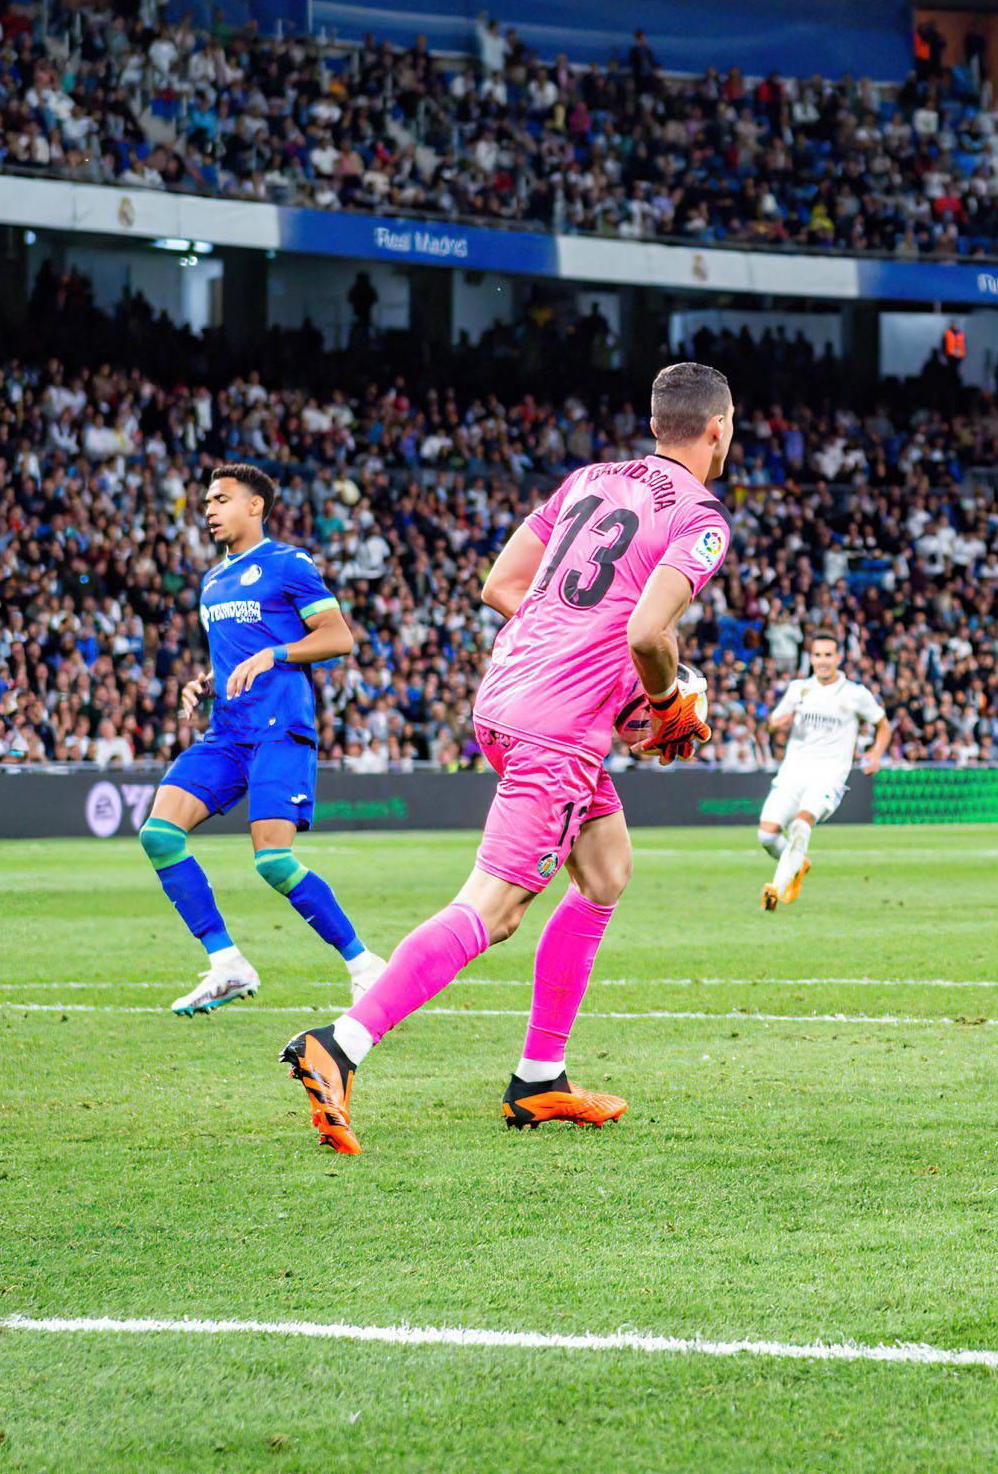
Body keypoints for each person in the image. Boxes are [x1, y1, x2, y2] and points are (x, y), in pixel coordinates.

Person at [279, 364, 733, 1155]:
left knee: (606, 870)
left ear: (656, 422)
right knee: (496, 907)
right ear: (718, 429)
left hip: (509, 693)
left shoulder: (588, 479)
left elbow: (502, 583)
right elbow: (648, 635)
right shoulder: (700, 515)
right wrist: (662, 705)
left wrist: (580, 655)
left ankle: (539, 1078)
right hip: (558, 725)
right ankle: (340, 1044)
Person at [147, 463, 382, 1016]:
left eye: (221, 499)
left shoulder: (287, 563)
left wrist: (274, 653)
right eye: (207, 500)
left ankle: (365, 967)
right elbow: (234, 657)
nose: (209, 509)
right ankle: (227, 963)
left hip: (279, 726)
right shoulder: (211, 582)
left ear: (255, 506)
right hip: (226, 731)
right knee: (159, 834)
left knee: (273, 860)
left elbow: (338, 636)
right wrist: (203, 684)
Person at [757, 632, 893, 909]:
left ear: (839, 658)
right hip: (793, 772)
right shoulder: (798, 689)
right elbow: (772, 722)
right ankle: (798, 863)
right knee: (767, 836)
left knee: (801, 822)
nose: (822, 661)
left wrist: (876, 754)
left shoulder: (855, 694)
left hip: (829, 775)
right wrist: (777, 724)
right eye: (818, 655)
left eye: (828, 655)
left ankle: (777, 888)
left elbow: (884, 725)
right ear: (811, 657)